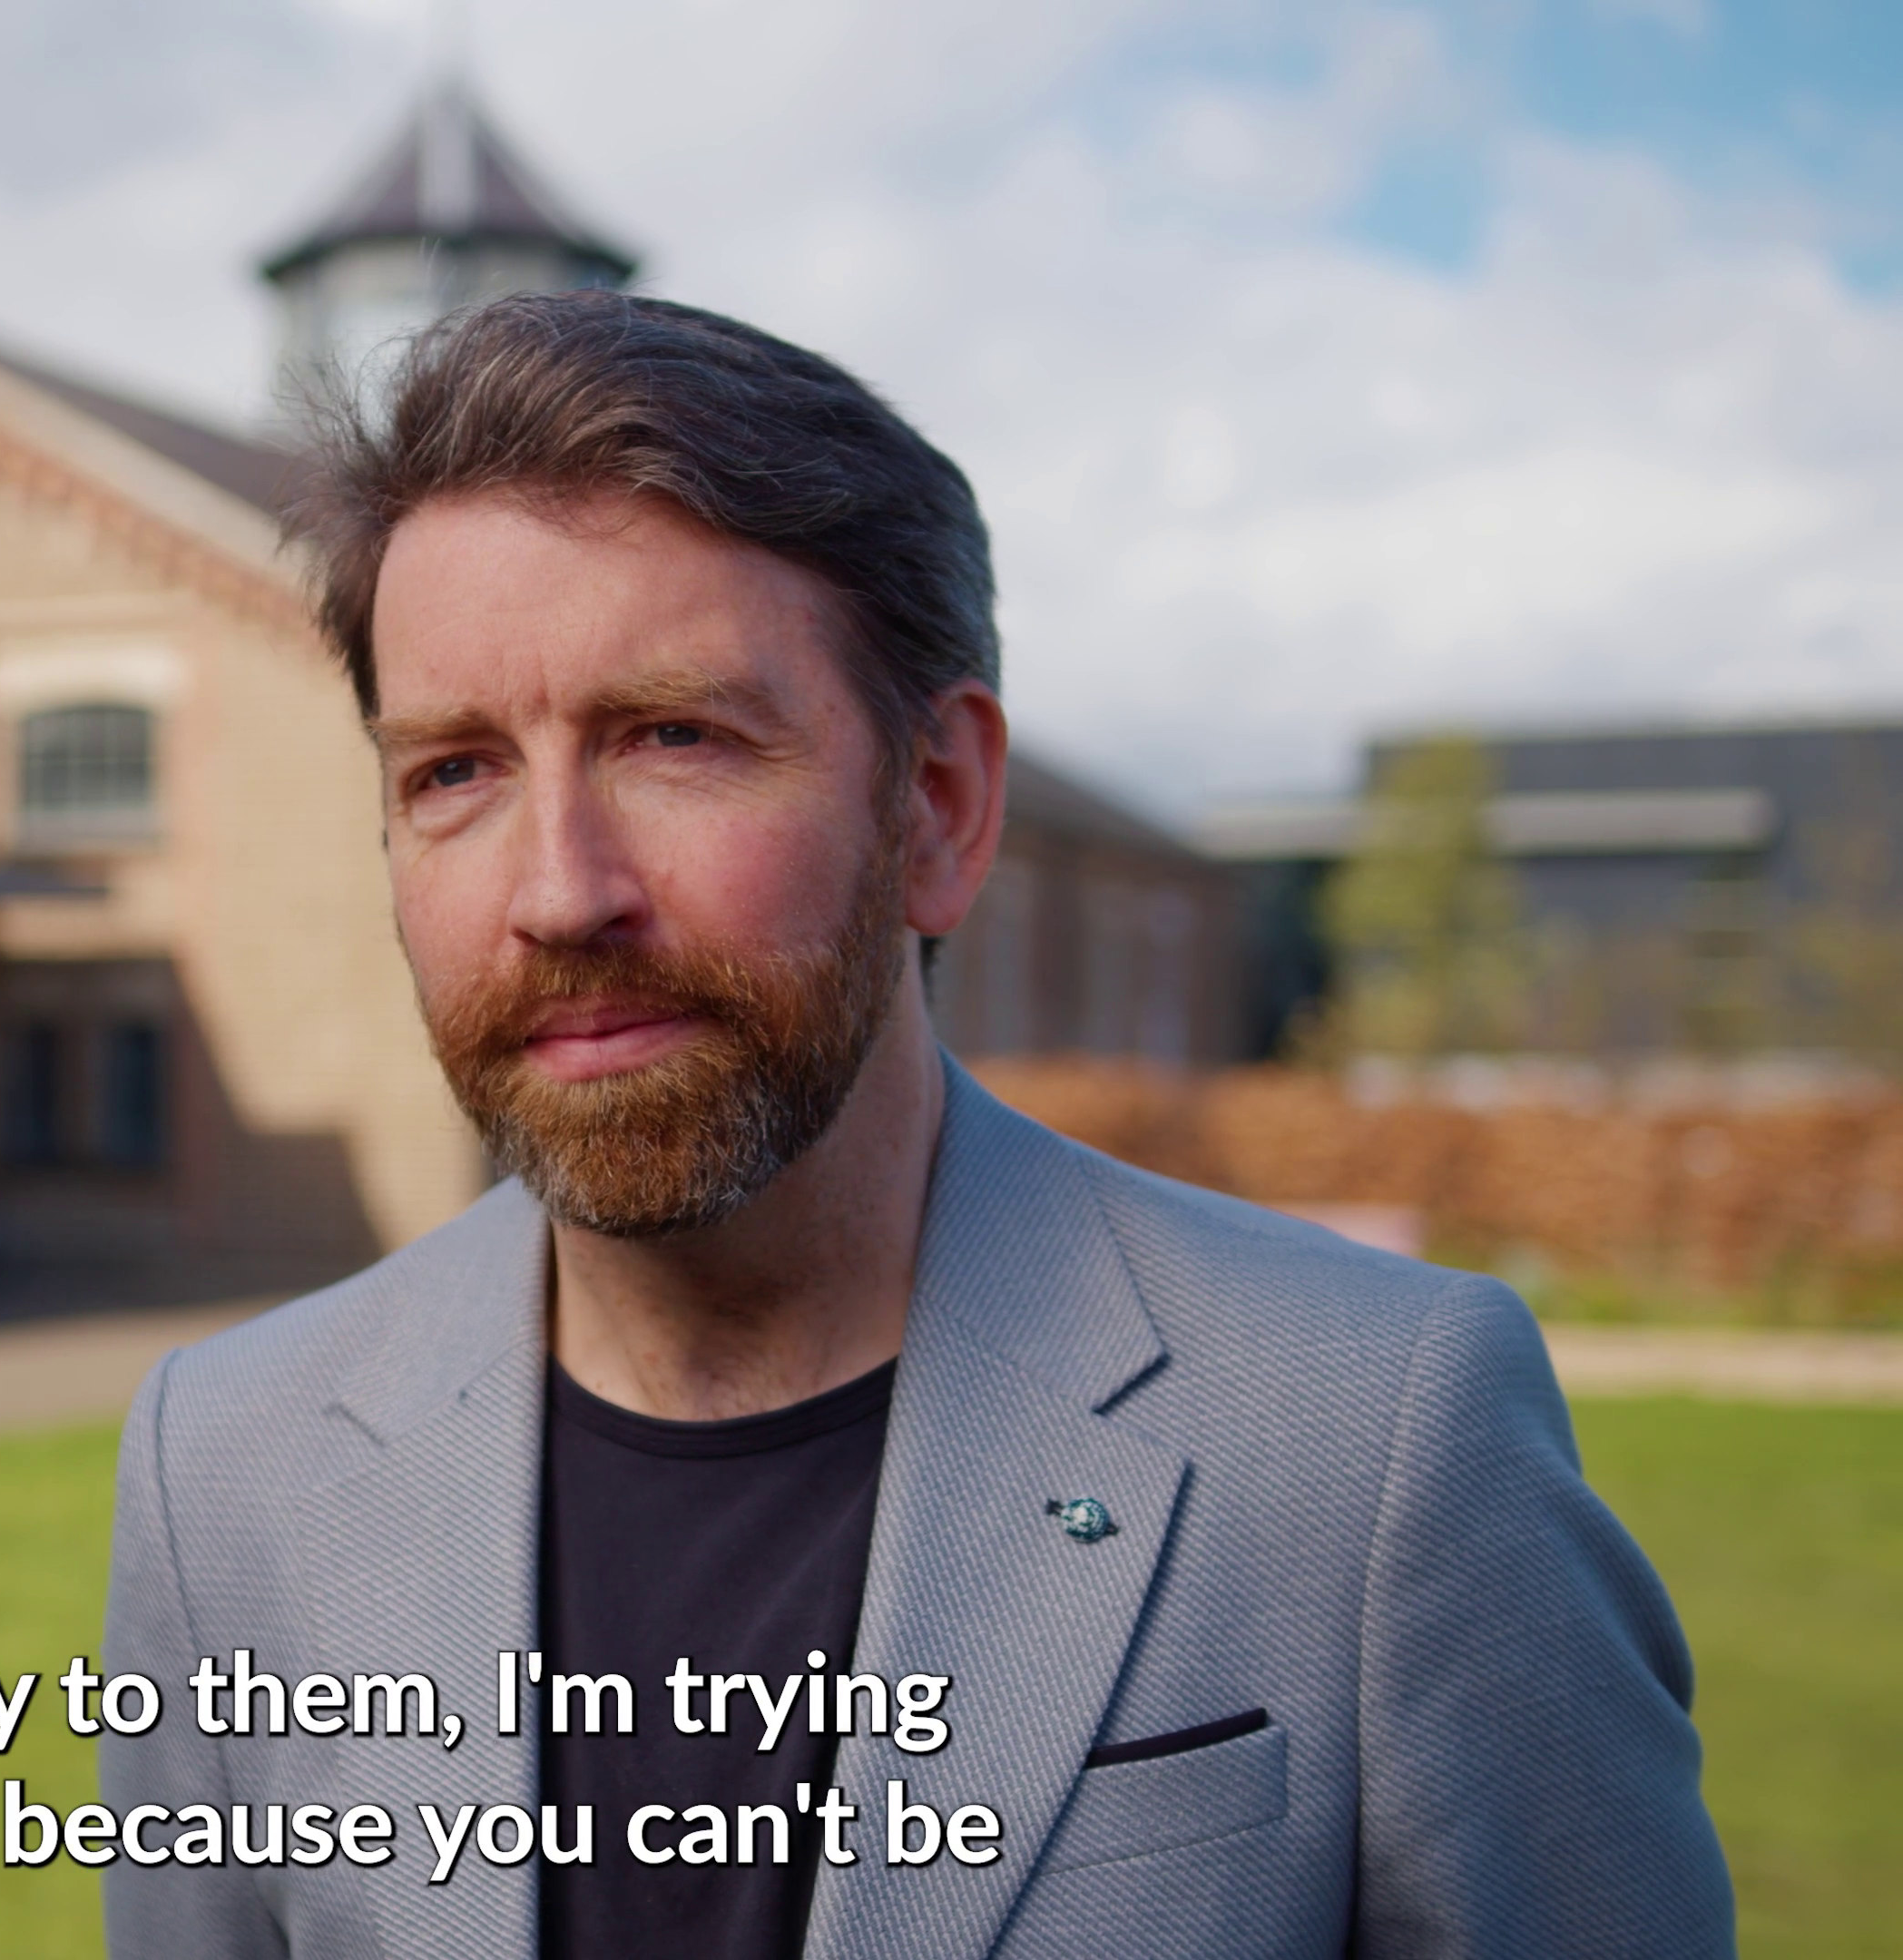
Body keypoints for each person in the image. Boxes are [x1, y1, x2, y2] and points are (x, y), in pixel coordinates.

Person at [97, 291, 1730, 1959]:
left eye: (674, 736)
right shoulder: (222, 1471)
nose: (559, 892)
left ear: (938, 808)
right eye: (453, 771)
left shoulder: (1374, 1442)